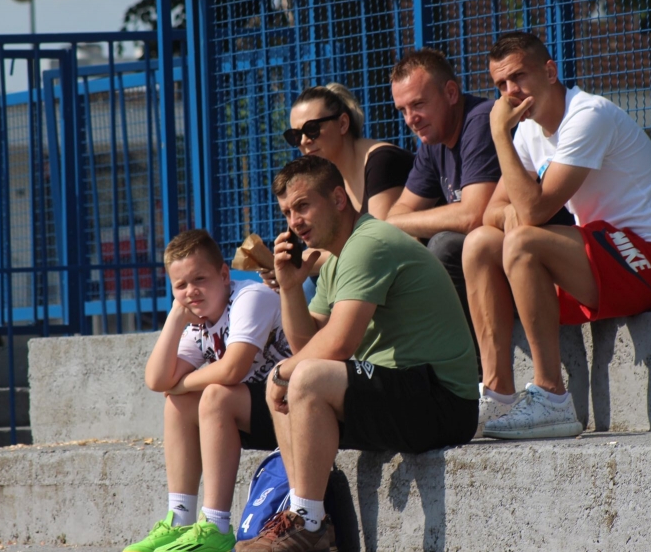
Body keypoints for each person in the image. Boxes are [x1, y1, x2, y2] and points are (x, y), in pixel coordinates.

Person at [236, 156, 478, 552]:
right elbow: (308, 345)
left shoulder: (369, 243)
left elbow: (337, 346)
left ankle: (308, 522)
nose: (294, 222)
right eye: (287, 213)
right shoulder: (337, 259)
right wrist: (291, 287)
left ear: (337, 198)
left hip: (442, 400)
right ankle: (305, 516)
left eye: (303, 206)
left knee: (300, 376)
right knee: (294, 376)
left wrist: (284, 373)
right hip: (403, 392)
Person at [465, 31, 651, 440]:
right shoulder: (529, 132)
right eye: (500, 84)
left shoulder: (588, 116)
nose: (510, 92)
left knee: (522, 241)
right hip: (604, 254)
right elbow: (492, 212)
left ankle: (551, 397)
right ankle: (497, 395)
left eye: (518, 77)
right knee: (479, 244)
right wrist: (515, 213)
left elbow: (533, 211)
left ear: (550, 72)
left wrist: (498, 134)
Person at [126, 229, 290, 552]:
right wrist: (176, 317)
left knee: (214, 394)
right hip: (257, 412)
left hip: (294, 410)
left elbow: (232, 369)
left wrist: (181, 383)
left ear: (224, 275)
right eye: (181, 285)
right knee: (179, 403)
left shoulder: (250, 298)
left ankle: (216, 526)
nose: (191, 291)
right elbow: (156, 380)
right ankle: (180, 520)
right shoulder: (198, 321)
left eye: (199, 279)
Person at [385, 48, 505, 325]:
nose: (410, 119)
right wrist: (402, 227)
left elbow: (473, 215)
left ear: (451, 93)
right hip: (484, 263)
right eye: (402, 110)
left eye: (418, 104)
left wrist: (400, 225)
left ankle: (465, 353)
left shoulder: (481, 120)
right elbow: (399, 211)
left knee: (444, 245)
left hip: (521, 257)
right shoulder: (432, 140)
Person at [284, 83, 413, 220]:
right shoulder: (327, 180)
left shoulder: (382, 162)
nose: (304, 141)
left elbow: (381, 233)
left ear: (343, 124)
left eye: (312, 129)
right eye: (295, 135)